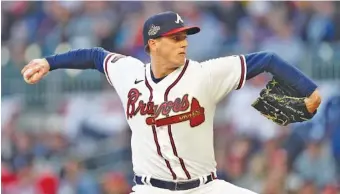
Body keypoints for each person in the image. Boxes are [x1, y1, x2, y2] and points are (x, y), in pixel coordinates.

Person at [21, 11, 321, 193]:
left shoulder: (204, 75)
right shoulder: (129, 73)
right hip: (150, 189)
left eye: (184, 37)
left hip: (205, 188)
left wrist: (308, 89)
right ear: (152, 44)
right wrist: (49, 62)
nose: (184, 43)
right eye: (175, 38)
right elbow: (94, 56)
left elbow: (266, 59)